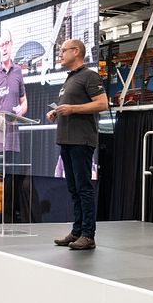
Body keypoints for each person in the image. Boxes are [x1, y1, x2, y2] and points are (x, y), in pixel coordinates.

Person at [47, 39, 108, 250]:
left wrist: (72, 109)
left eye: (64, 51)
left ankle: (88, 235)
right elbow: (71, 105)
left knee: (83, 188)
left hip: (81, 140)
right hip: (66, 139)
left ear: (76, 51)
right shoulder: (70, 79)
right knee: (73, 188)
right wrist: (57, 112)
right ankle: (77, 231)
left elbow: (102, 104)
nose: (60, 54)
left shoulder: (89, 76)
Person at [0, 28, 27, 156]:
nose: (4, 48)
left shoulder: (18, 71)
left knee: (13, 174)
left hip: (14, 139)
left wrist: (21, 110)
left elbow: (24, 100)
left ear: (11, 44)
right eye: (1, 45)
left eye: (6, 44)